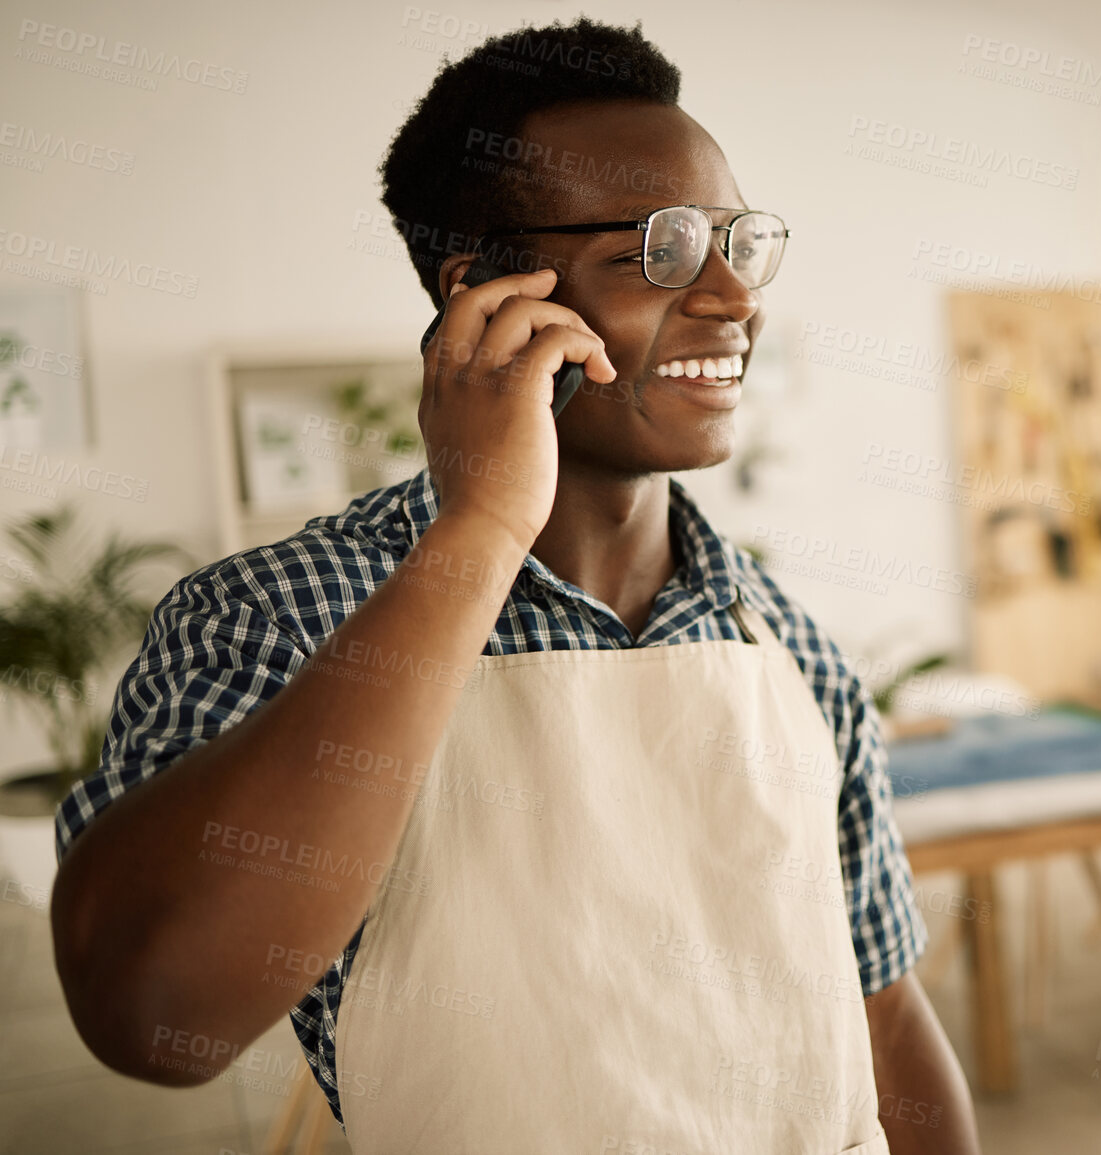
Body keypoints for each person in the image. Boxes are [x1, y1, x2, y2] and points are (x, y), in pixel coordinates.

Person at [50, 18, 979, 1154]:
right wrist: (482, 530)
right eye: (665, 247)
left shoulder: (789, 645)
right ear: (486, 290)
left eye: (738, 238)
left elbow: (882, 1016)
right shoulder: (269, 619)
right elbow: (156, 1022)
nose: (734, 296)